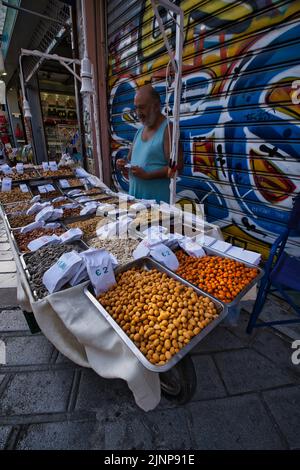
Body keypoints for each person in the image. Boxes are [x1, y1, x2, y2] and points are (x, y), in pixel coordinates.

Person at [116, 84, 183, 203]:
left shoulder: (168, 129)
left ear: (156, 106)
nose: (138, 113)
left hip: (157, 208)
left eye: (142, 107)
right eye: (136, 108)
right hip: (136, 203)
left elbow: (177, 167)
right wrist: (123, 165)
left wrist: (148, 175)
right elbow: (130, 160)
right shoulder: (140, 131)